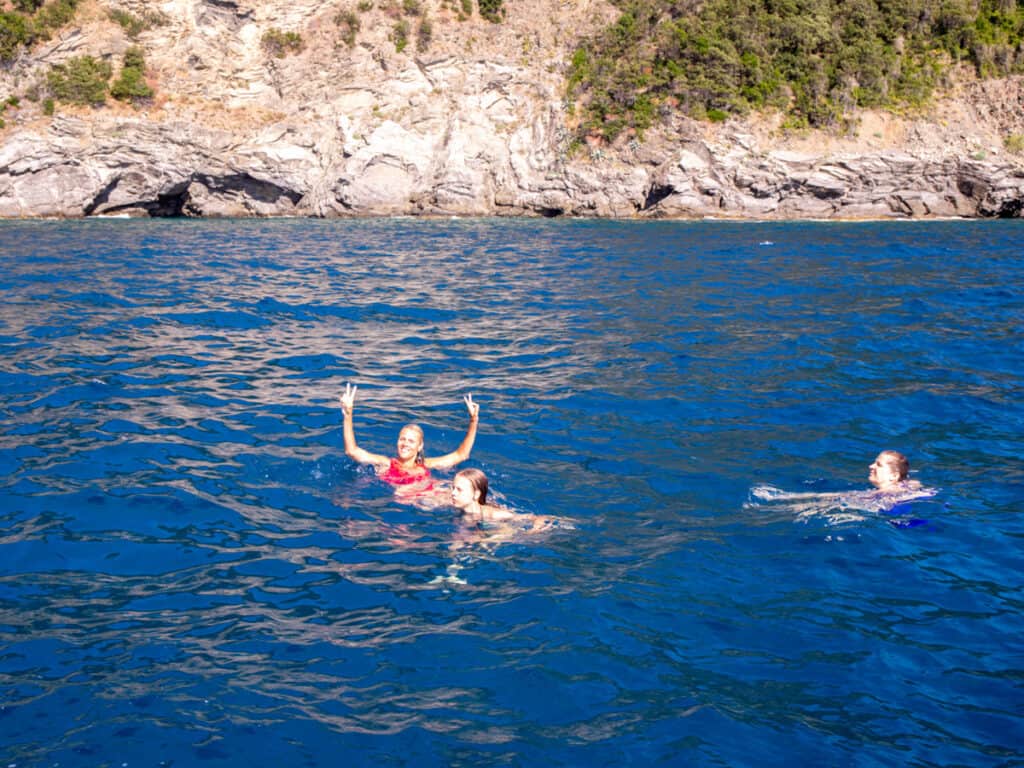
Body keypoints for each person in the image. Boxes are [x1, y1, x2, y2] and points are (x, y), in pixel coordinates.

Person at [339, 382, 479, 495]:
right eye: (402, 439)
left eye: (411, 441)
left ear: (419, 446)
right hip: (411, 499)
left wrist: (474, 420)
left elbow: (461, 455)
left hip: (431, 496)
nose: (405, 444)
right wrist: (348, 415)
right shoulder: (386, 463)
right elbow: (352, 451)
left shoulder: (427, 464)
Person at [450, 468, 554, 533]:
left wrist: (534, 529)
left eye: (459, 490)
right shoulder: (456, 506)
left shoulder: (494, 515)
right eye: (453, 487)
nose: (453, 493)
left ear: (476, 494)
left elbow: (535, 517)